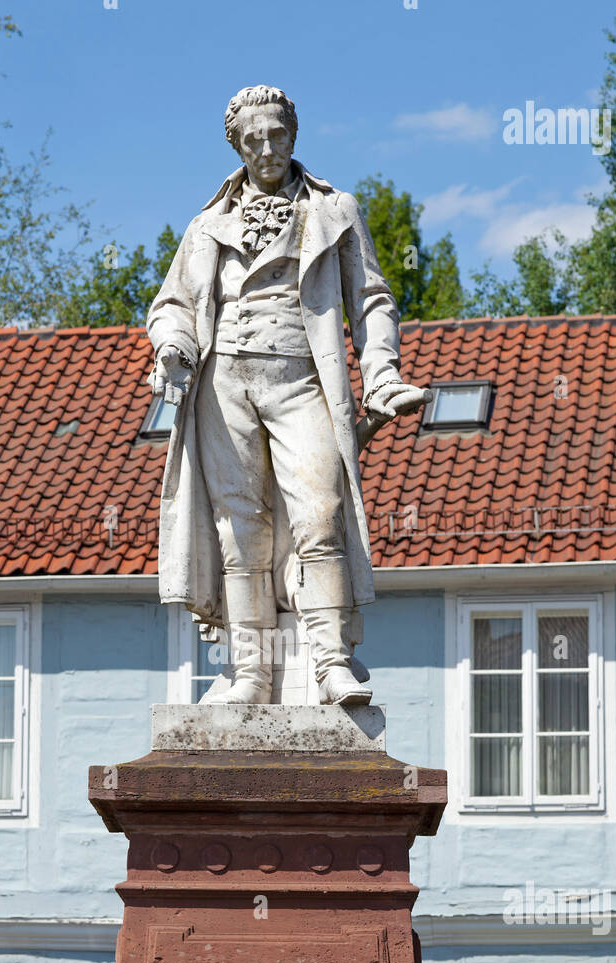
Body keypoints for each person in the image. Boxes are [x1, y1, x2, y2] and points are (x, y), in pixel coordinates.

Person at [147, 84, 428, 705]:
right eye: (254, 139)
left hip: (303, 378)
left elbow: (373, 301)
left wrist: (379, 374)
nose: (268, 147)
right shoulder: (205, 225)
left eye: (277, 134)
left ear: (293, 135)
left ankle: (332, 660)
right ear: (238, 145)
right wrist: (172, 345)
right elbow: (171, 306)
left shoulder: (334, 211)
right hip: (226, 386)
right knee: (239, 529)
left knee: (320, 512)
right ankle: (248, 673)